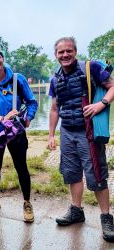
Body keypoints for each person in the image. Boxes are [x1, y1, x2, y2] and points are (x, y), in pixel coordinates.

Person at [48, 37, 114, 242]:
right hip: (67, 131)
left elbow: (112, 86)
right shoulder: (55, 78)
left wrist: (101, 104)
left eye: (69, 51)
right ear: (56, 55)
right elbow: (54, 109)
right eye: (61, 52)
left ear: (75, 51)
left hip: (88, 130)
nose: (65, 55)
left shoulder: (90, 67)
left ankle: (106, 217)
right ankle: (76, 211)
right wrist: (51, 135)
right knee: (71, 172)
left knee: (96, 173)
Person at [0, 46, 38, 222]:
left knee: (21, 168)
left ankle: (27, 203)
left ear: (3, 59)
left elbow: (32, 102)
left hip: (16, 133)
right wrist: (3, 118)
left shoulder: (18, 80)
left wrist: (29, 117)